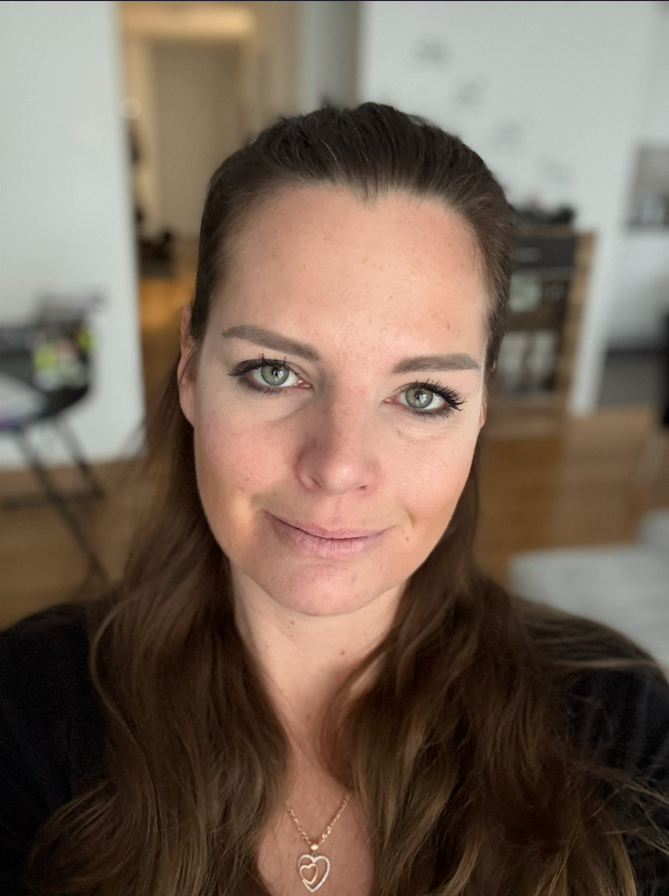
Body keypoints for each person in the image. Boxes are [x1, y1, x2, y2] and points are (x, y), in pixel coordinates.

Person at [1, 103, 669, 896]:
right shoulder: (26, 711)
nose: (339, 466)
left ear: (482, 406)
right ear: (189, 369)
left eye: (421, 394)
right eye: (273, 372)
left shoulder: (616, 726)